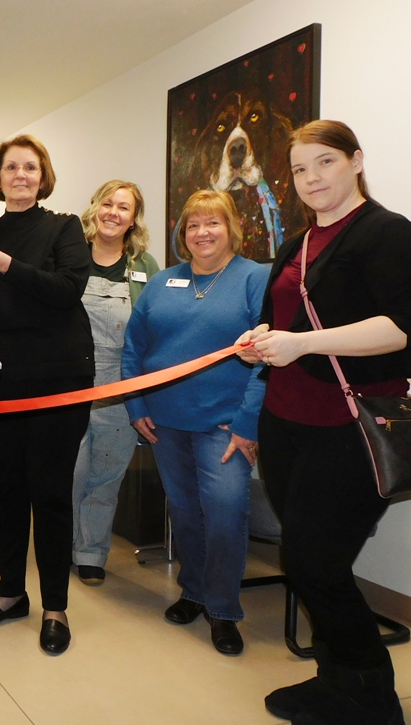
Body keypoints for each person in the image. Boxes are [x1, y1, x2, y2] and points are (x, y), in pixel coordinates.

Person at [237, 120, 411, 725]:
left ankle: (373, 695)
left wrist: (303, 344)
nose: (311, 178)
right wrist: (263, 340)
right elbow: (284, 324)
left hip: (352, 426)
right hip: (286, 421)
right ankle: (335, 681)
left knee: (315, 562)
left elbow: (403, 328)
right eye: (299, 169)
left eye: (325, 162)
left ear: (356, 161)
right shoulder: (298, 243)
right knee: (306, 559)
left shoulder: (387, 232)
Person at [0, 135, 93, 656]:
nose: (21, 175)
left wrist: (6, 265)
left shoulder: (64, 228)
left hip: (59, 381)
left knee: (50, 494)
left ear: (43, 175)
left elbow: (67, 289)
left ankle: (55, 607)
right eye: (11, 167)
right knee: (5, 493)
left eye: (30, 167)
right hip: (0, 381)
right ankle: (10, 593)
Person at [122, 189, 267, 657]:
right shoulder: (162, 282)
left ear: (232, 228)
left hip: (224, 426)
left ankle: (223, 609)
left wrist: (247, 423)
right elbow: (134, 348)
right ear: (182, 234)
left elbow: (268, 359)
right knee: (184, 512)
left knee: (224, 513)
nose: (202, 233)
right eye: (193, 225)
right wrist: (136, 406)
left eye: (213, 223)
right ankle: (195, 591)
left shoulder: (254, 278)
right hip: (165, 422)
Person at [71, 181, 159, 585]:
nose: (113, 212)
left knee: (106, 475)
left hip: (120, 384)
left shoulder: (145, 266)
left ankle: (91, 551)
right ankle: (62, 543)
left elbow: (153, 330)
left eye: (124, 207)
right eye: (107, 203)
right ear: (95, 208)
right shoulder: (70, 255)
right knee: (70, 471)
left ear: (133, 219)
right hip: (70, 380)